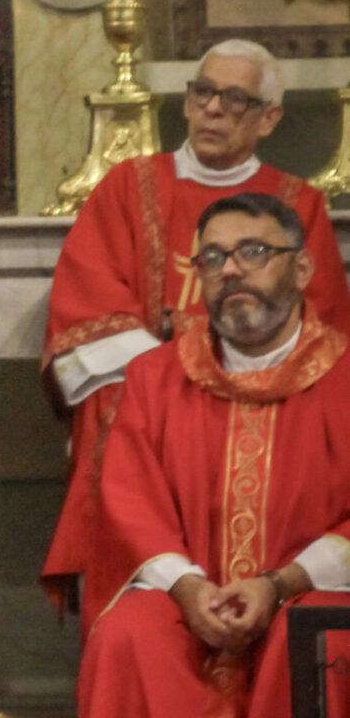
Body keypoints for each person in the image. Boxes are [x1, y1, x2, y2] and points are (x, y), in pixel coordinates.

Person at [59, 192, 350, 718]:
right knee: (126, 637)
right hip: (191, 594)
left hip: (309, 593)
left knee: (319, 638)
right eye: (213, 259)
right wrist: (188, 588)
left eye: (252, 252)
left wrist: (279, 584)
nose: (230, 272)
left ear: (303, 268)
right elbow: (127, 496)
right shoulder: (157, 376)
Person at [41, 40, 350, 626]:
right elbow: (86, 309)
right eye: (203, 93)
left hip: (278, 406)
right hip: (164, 403)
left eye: (234, 99)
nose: (212, 109)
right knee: (123, 403)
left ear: (269, 117)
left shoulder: (299, 204)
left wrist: (226, 363)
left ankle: (277, 584)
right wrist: (177, 369)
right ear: (185, 102)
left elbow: (323, 338)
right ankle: (155, 579)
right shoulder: (126, 186)